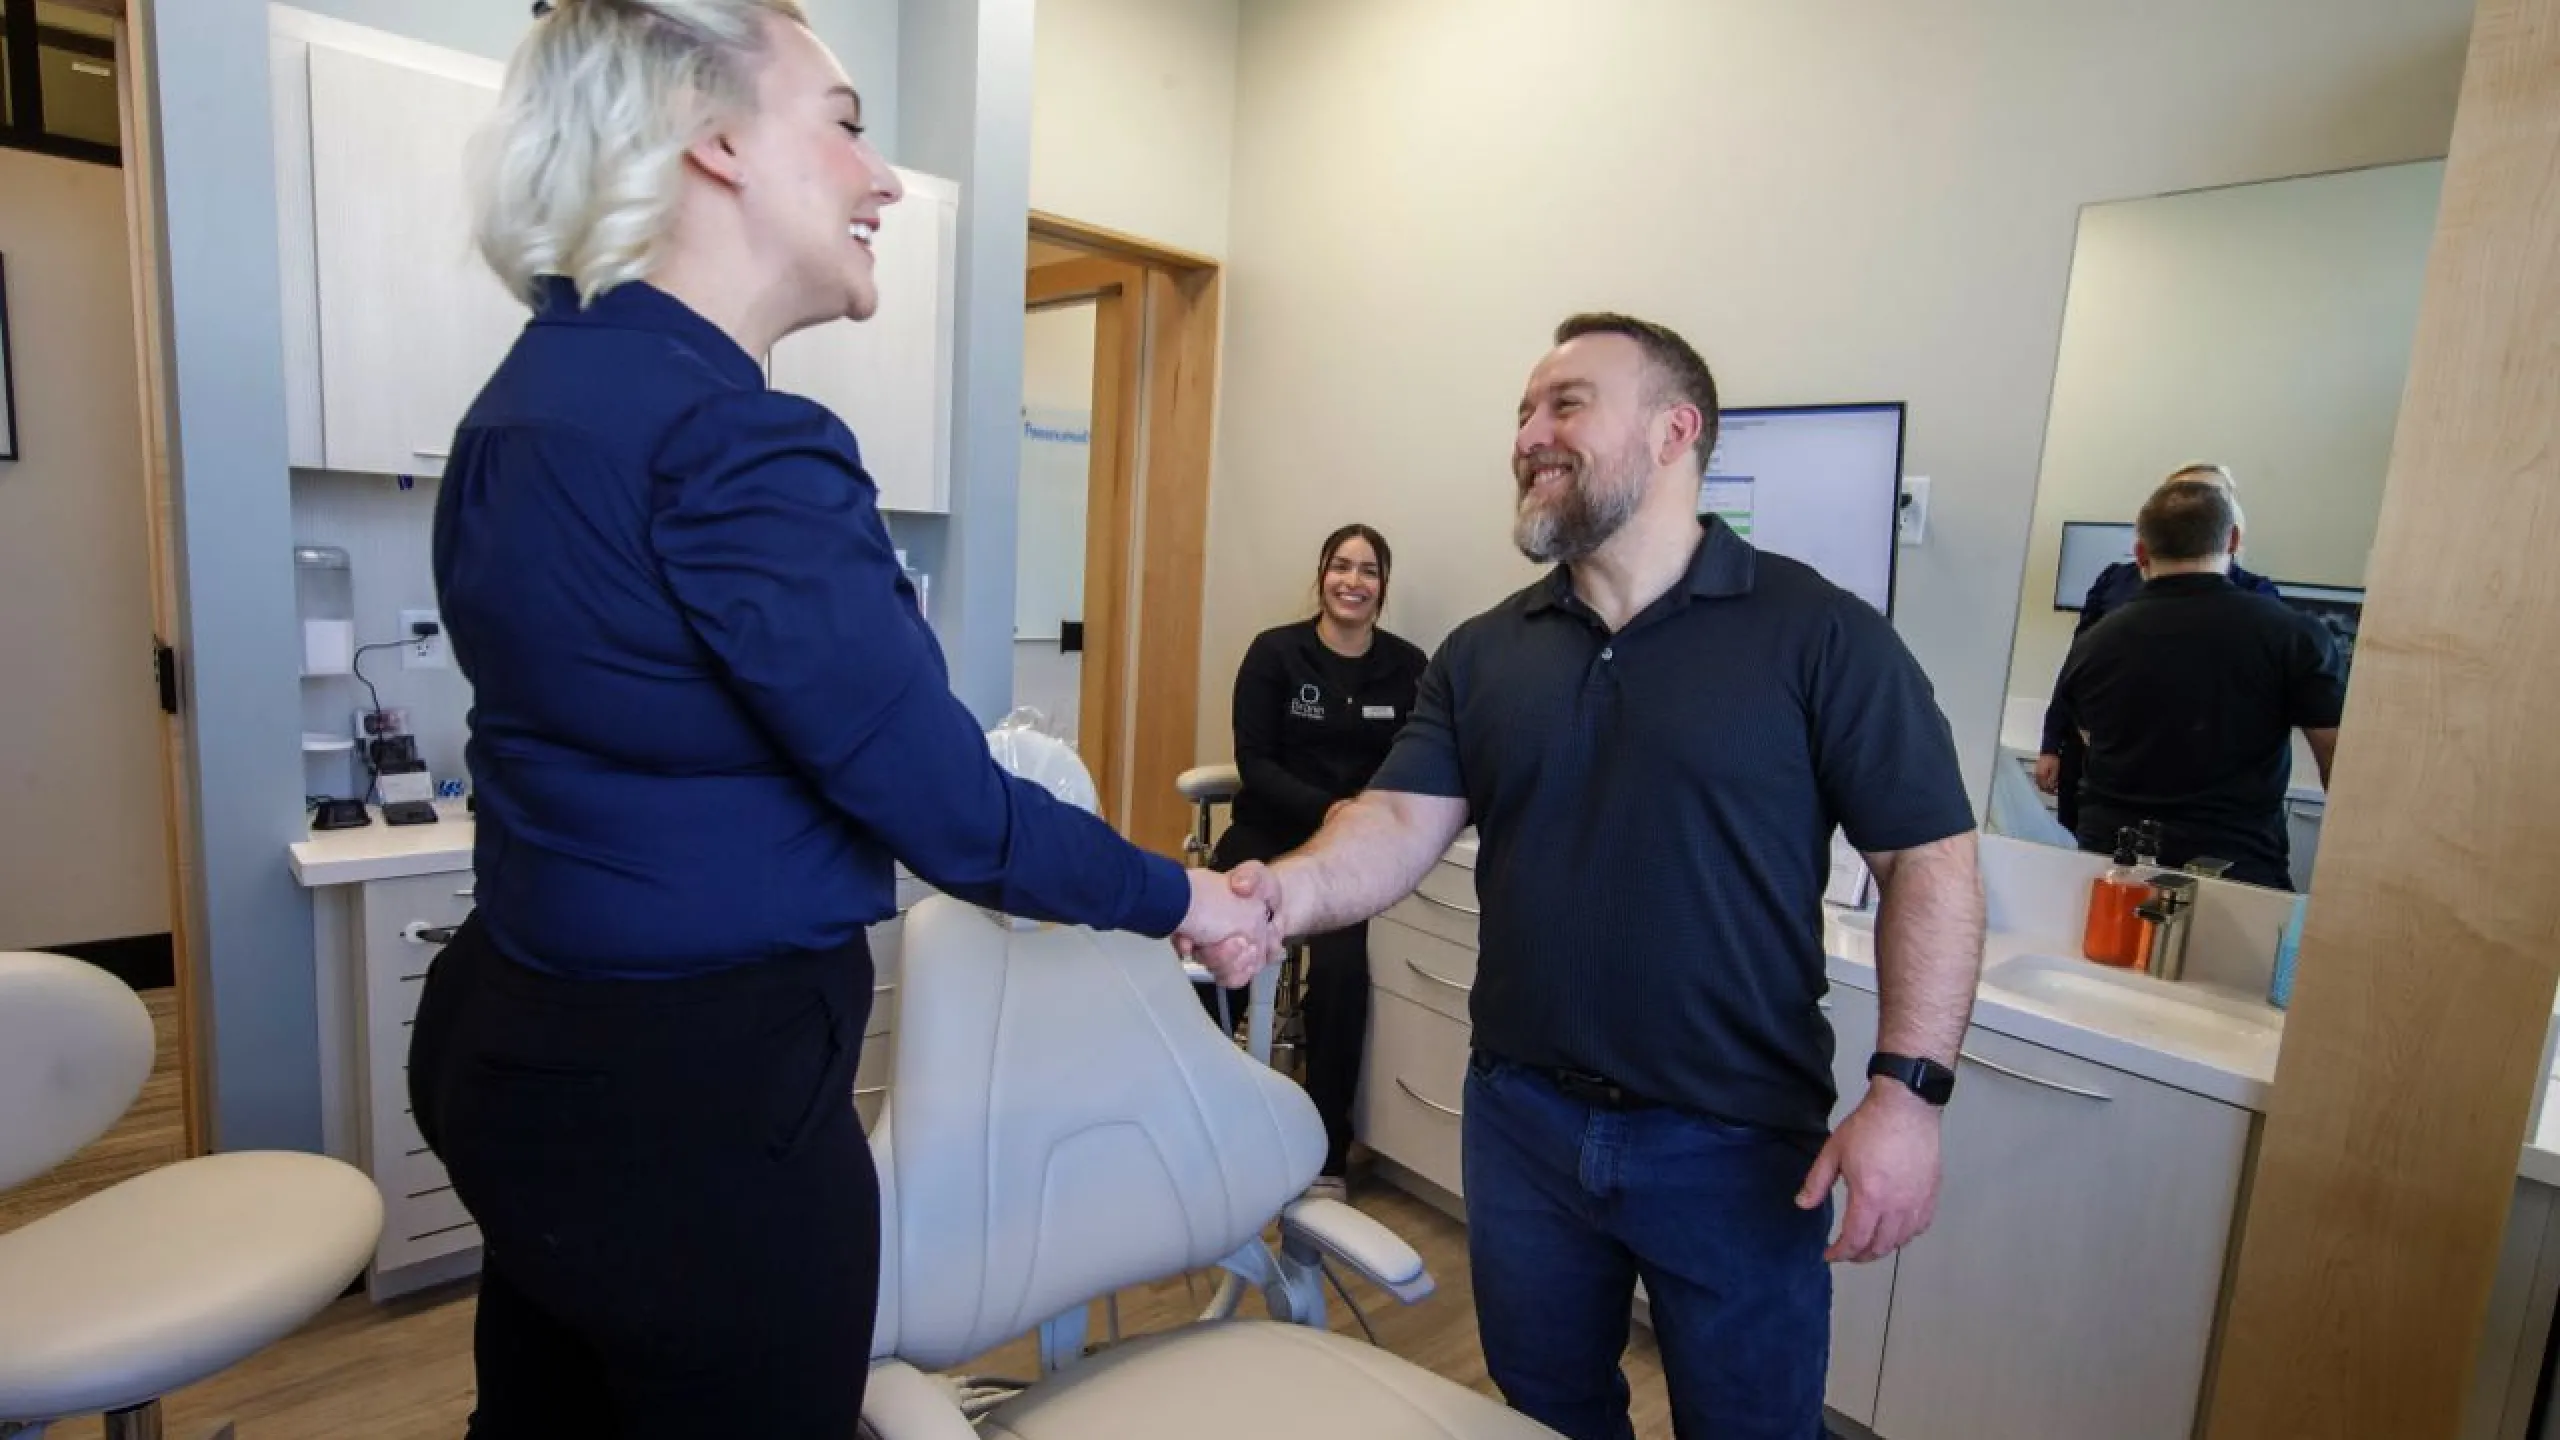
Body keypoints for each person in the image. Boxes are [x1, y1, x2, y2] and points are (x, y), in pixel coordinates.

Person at [407, 4, 1276, 1435]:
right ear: (718, 136)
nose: (882, 181)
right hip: (690, 1110)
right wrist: (1183, 895)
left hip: (518, 1048)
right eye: (851, 123)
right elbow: (950, 809)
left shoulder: (530, 395)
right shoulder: (734, 436)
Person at [1226, 313, 1986, 1440]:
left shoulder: (1819, 635)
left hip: (1733, 1140)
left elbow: (1927, 861)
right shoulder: (1489, 652)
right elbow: (1393, 818)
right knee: (1549, 1411)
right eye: (1523, 413)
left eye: (1565, 404)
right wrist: (1275, 897)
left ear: (1675, 429)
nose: (1529, 434)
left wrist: (1907, 1095)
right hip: (1523, 1122)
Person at [1206, 523, 1429, 1199]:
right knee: (1222, 947)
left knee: (1341, 975)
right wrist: (1329, 808)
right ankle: (1198, 1111)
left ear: (1383, 588)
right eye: (1341, 567)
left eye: (1368, 571)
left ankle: (1327, 1150)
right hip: (1268, 831)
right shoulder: (1277, 654)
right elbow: (1255, 762)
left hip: (1350, 857)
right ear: (1322, 576)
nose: (1353, 582)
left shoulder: (1409, 666)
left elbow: (1416, 759)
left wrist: (1365, 822)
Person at [2053, 478, 2344, 890]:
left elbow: (2091, 741)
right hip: (2236, 869)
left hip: (2113, 871)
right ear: (2233, 541)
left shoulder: (2094, 644)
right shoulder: (2293, 635)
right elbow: (2337, 761)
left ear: (2140, 552)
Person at [2036, 463, 2280, 829]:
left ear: (2231, 531)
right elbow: (2077, 667)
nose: (2192, 508)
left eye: (2207, 498)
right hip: (2102, 766)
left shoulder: (2259, 599)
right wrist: (2051, 743)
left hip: (2204, 784)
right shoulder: (2115, 582)